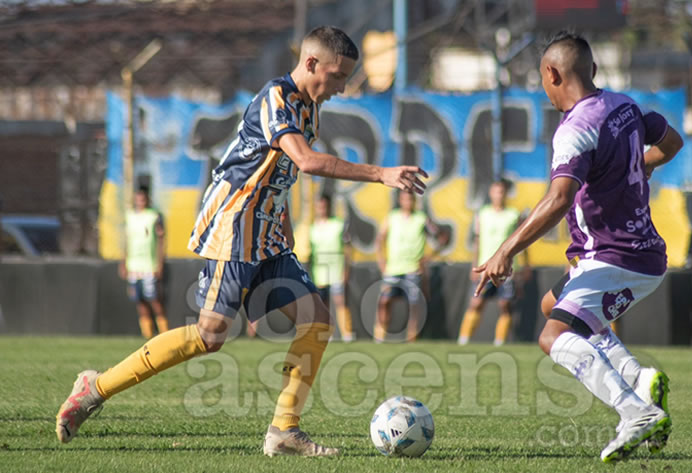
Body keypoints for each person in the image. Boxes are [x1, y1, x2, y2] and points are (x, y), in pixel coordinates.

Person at [55, 26, 428, 457]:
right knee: (210, 336)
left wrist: (283, 225)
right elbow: (305, 161)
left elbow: (280, 171)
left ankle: (284, 431)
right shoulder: (276, 97)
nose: (341, 88)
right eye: (338, 77)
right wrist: (381, 174)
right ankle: (94, 388)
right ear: (310, 64)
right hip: (234, 227)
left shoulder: (309, 110)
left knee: (318, 321)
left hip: (266, 234)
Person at [474, 31, 683, 463]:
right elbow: (672, 143)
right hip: (642, 252)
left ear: (552, 74)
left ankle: (634, 412)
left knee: (553, 337)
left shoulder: (574, 130)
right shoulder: (624, 104)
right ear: (593, 70)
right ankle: (637, 379)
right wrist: (633, 169)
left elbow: (558, 199)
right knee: (555, 305)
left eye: (542, 81)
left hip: (611, 255)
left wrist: (504, 250)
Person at [457, 179, 527, 346]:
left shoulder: (513, 214)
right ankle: (463, 340)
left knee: (505, 305)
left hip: (507, 268)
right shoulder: (483, 214)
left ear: (505, 194)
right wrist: (474, 266)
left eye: (501, 192)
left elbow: (522, 241)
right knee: (476, 302)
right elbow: (477, 241)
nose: (498, 195)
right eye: (495, 191)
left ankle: (499, 341)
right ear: (491, 193)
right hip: (485, 266)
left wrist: (525, 265)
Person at [374, 190, 445, 342]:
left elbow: (442, 238)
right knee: (385, 301)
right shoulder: (392, 217)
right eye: (405, 199)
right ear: (400, 200)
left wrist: (428, 258)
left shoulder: (421, 218)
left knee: (414, 304)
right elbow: (379, 239)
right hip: (393, 269)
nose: (408, 202)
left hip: (413, 269)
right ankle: (379, 337)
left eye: (410, 199)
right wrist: (381, 261)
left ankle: (412, 337)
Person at [119, 186, 169, 339]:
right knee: (139, 301)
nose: (140, 201)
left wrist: (160, 263)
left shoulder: (154, 216)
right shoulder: (130, 216)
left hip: (149, 265)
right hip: (134, 266)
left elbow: (161, 240)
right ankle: (147, 334)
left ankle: (164, 333)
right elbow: (126, 241)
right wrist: (123, 262)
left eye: (143, 198)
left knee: (155, 300)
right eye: (138, 198)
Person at [308, 193, 354, 342]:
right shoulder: (312, 228)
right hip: (319, 272)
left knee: (340, 301)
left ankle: (347, 334)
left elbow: (348, 249)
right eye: (319, 206)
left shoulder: (338, 225)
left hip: (336, 271)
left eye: (324, 206)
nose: (322, 209)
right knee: (323, 304)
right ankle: (327, 333)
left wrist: (346, 270)